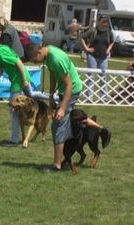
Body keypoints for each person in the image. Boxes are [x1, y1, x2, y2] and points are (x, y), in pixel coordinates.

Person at [24, 43, 112, 172]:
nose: (35, 63)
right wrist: (52, 94)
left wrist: (62, 108)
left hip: (72, 89)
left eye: (34, 60)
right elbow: (53, 74)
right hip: (63, 90)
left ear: (39, 53)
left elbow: (69, 85)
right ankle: (101, 130)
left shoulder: (56, 59)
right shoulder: (48, 56)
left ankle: (57, 165)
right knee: (72, 119)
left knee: (58, 125)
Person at [0, 34, 50, 147]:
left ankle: (14, 140)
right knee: (32, 95)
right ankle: (55, 97)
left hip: (18, 80)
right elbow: (1, 69)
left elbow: (18, 62)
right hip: (19, 79)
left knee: (13, 108)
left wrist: (24, 80)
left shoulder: (1, 52)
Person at [81, 15, 114, 102]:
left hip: (103, 57)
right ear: (99, 22)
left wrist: (108, 50)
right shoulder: (93, 30)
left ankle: (103, 97)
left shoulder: (108, 32)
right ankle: (89, 97)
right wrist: (86, 49)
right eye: (102, 22)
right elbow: (82, 37)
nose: (104, 24)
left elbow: (112, 42)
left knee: (103, 77)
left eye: (105, 22)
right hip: (92, 56)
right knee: (91, 76)